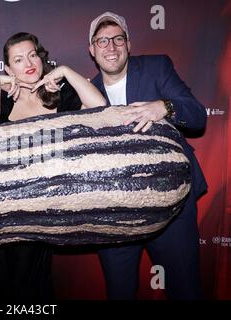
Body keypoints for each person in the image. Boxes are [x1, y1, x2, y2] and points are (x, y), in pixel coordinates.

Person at [0, 32, 106, 300]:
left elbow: (99, 106)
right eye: (18, 59)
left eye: (32, 55)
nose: (28, 62)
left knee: (30, 291)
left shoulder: (59, 94)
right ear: (8, 68)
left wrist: (62, 71)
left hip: (39, 216)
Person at [87, 11, 207, 299]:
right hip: (117, 212)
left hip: (171, 206)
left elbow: (198, 116)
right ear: (92, 50)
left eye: (118, 39)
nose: (111, 47)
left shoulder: (156, 67)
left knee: (185, 291)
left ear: (129, 44)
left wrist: (164, 106)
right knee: (119, 293)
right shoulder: (87, 92)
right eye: (102, 41)